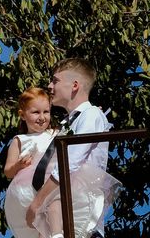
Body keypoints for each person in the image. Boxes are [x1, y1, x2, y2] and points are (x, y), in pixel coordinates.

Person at [26, 58, 121, 238]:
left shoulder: (91, 114)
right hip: (57, 218)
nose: (49, 86)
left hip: (79, 220)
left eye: (55, 80)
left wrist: (37, 202)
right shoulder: (66, 124)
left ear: (75, 85)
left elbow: (69, 162)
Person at [4, 87, 62, 238]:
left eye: (46, 112)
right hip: (28, 190)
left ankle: (57, 235)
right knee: (40, 224)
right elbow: (8, 171)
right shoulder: (19, 140)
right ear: (23, 115)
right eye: (36, 112)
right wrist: (18, 165)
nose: (42, 117)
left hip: (50, 184)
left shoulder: (55, 133)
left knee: (53, 206)